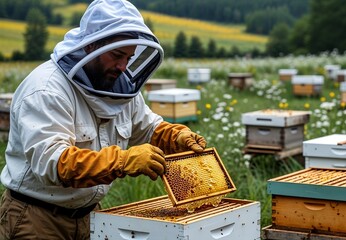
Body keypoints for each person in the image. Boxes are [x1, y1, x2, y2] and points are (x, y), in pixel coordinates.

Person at [0, 0, 207, 239]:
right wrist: (123, 161)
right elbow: (54, 163)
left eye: (129, 58)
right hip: (37, 218)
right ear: (92, 46)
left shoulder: (120, 88)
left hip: (90, 216)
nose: (122, 66)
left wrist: (177, 136)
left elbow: (149, 128)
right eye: (117, 55)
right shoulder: (47, 89)